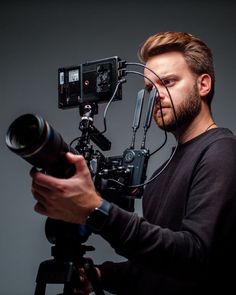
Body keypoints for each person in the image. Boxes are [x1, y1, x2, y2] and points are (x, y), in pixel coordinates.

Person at [31, 32, 236, 294]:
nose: (156, 96)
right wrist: (99, 275)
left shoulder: (222, 152)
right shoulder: (163, 170)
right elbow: (157, 267)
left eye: (169, 82)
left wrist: (96, 209)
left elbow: (193, 257)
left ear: (203, 84)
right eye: (150, 88)